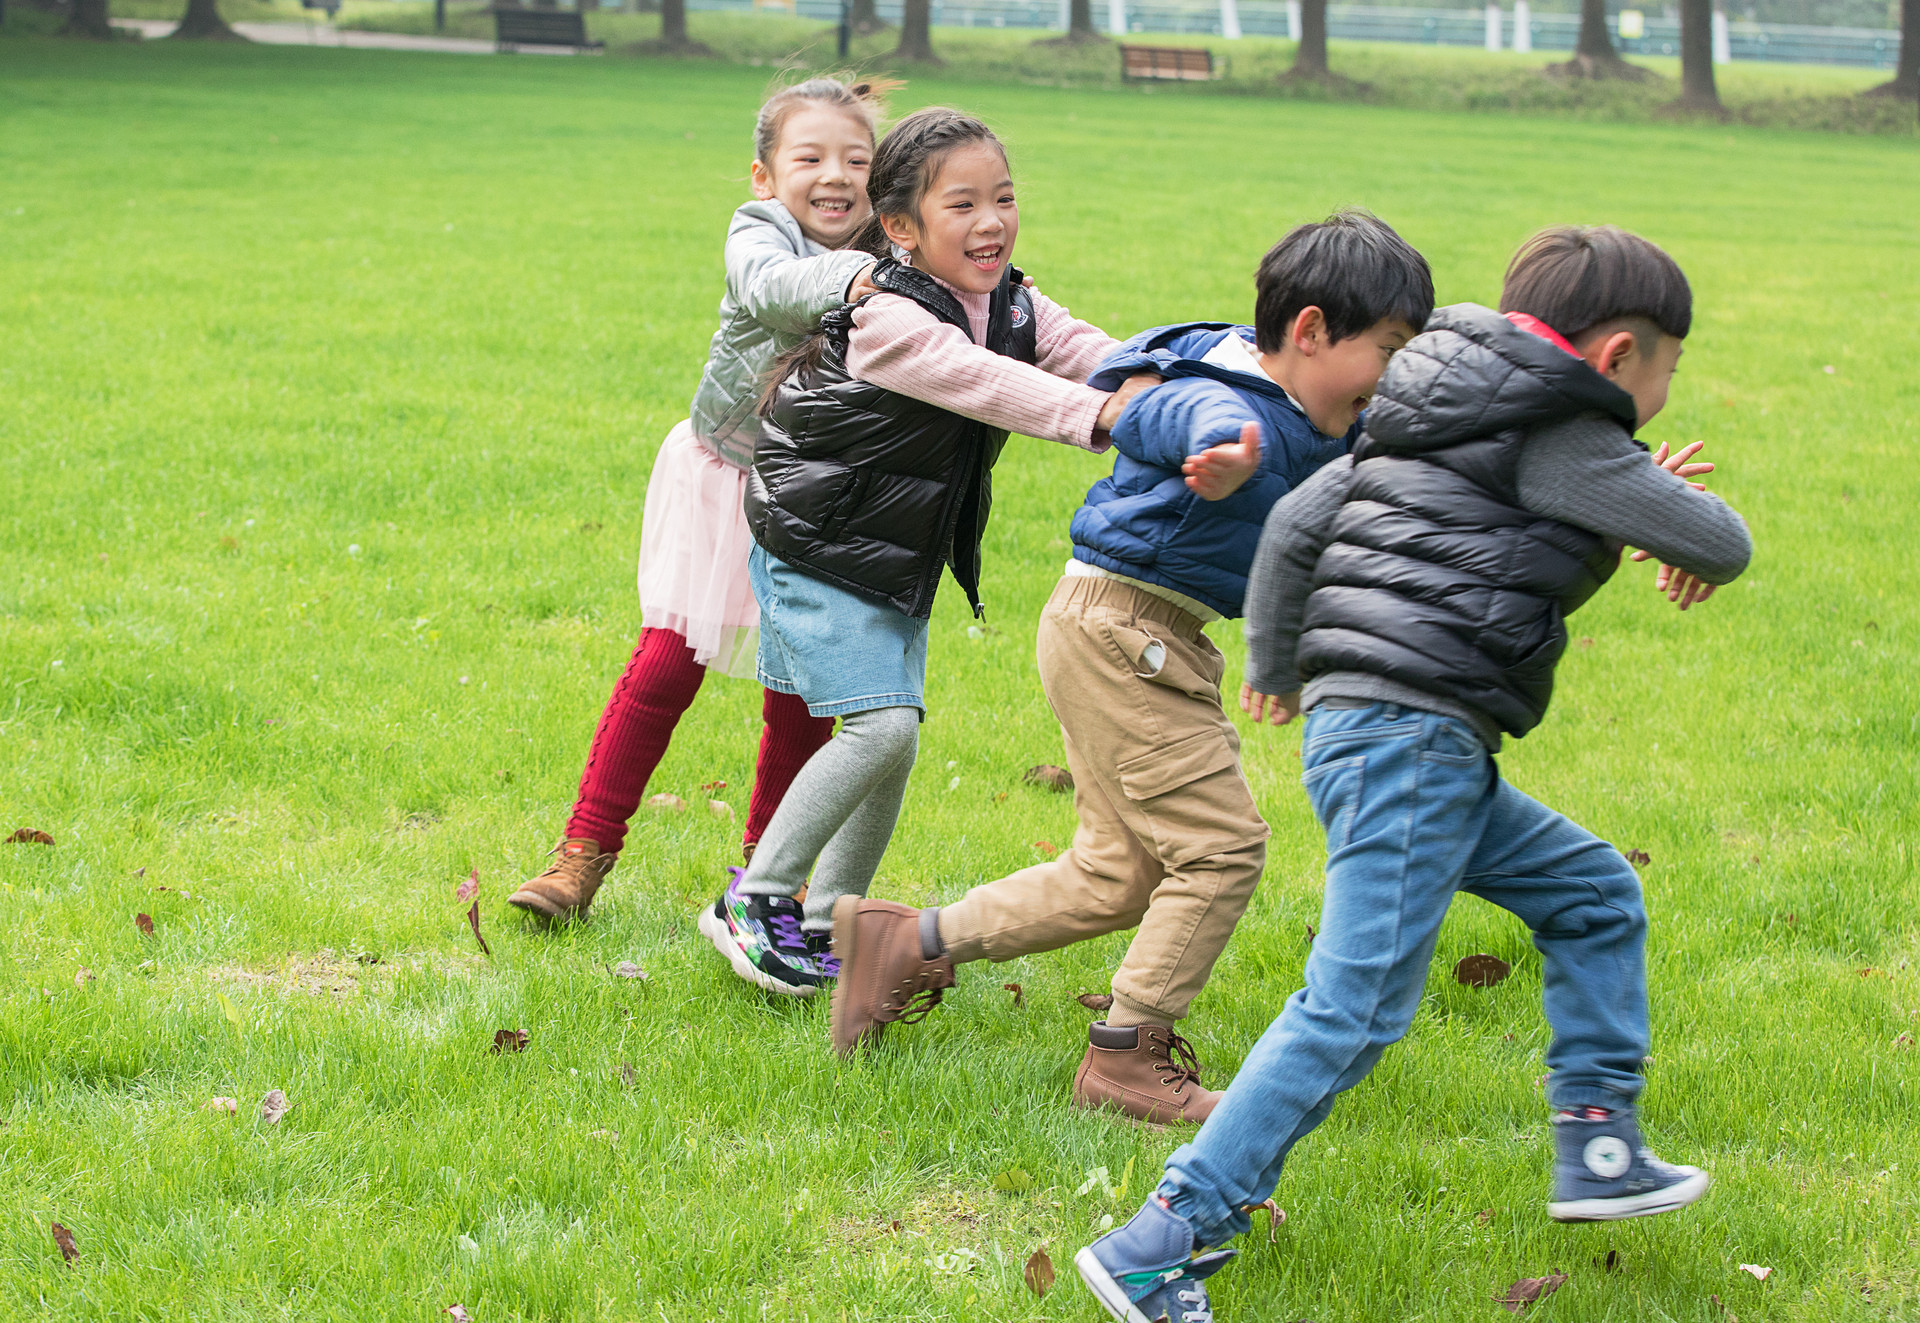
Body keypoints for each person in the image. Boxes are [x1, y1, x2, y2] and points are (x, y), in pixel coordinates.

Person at [1075, 225, 1754, 1323]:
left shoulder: (1430, 404)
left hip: (1377, 731)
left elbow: (1297, 525)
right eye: (1670, 365)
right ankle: (1165, 1235)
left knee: (1590, 891)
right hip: (1416, 738)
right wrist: (1650, 502)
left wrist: (1279, 663)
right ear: (1619, 355)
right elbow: (1721, 542)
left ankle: (1599, 1148)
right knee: (1353, 1009)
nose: (1665, 387)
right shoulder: (1568, 430)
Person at [826, 213, 1436, 1128]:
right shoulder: (1229, 403)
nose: (1392, 378)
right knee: (1221, 849)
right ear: (1310, 331)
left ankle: (906, 942)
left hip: (1132, 631)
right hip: (1124, 634)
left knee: (1119, 872)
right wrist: (1224, 451)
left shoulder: (1312, 402)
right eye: (1387, 352)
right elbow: (1170, 408)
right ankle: (1126, 1056)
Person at [697, 106, 1153, 998]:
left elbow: (1090, 352)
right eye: (963, 205)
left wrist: (1175, 380)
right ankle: (755, 899)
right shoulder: (889, 317)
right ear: (901, 228)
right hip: (818, 547)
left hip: (890, 558)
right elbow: (989, 384)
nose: (992, 222)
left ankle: (832, 918)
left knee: (892, 742)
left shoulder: (1013, 302)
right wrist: (1106, 414)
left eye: (1004, 199)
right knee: (884, 727)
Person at [507, 78, 893, 924]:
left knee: (800, 695)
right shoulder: (761, 232)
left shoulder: (892, 247)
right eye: (810, 158)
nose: (836, 176)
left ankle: (769, 878)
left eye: (857, 161)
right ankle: (582, 852)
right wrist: (872, 277)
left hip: (817, 497)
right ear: (765, 175)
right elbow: (772, 287)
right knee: (664, 664)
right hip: (725, 477)